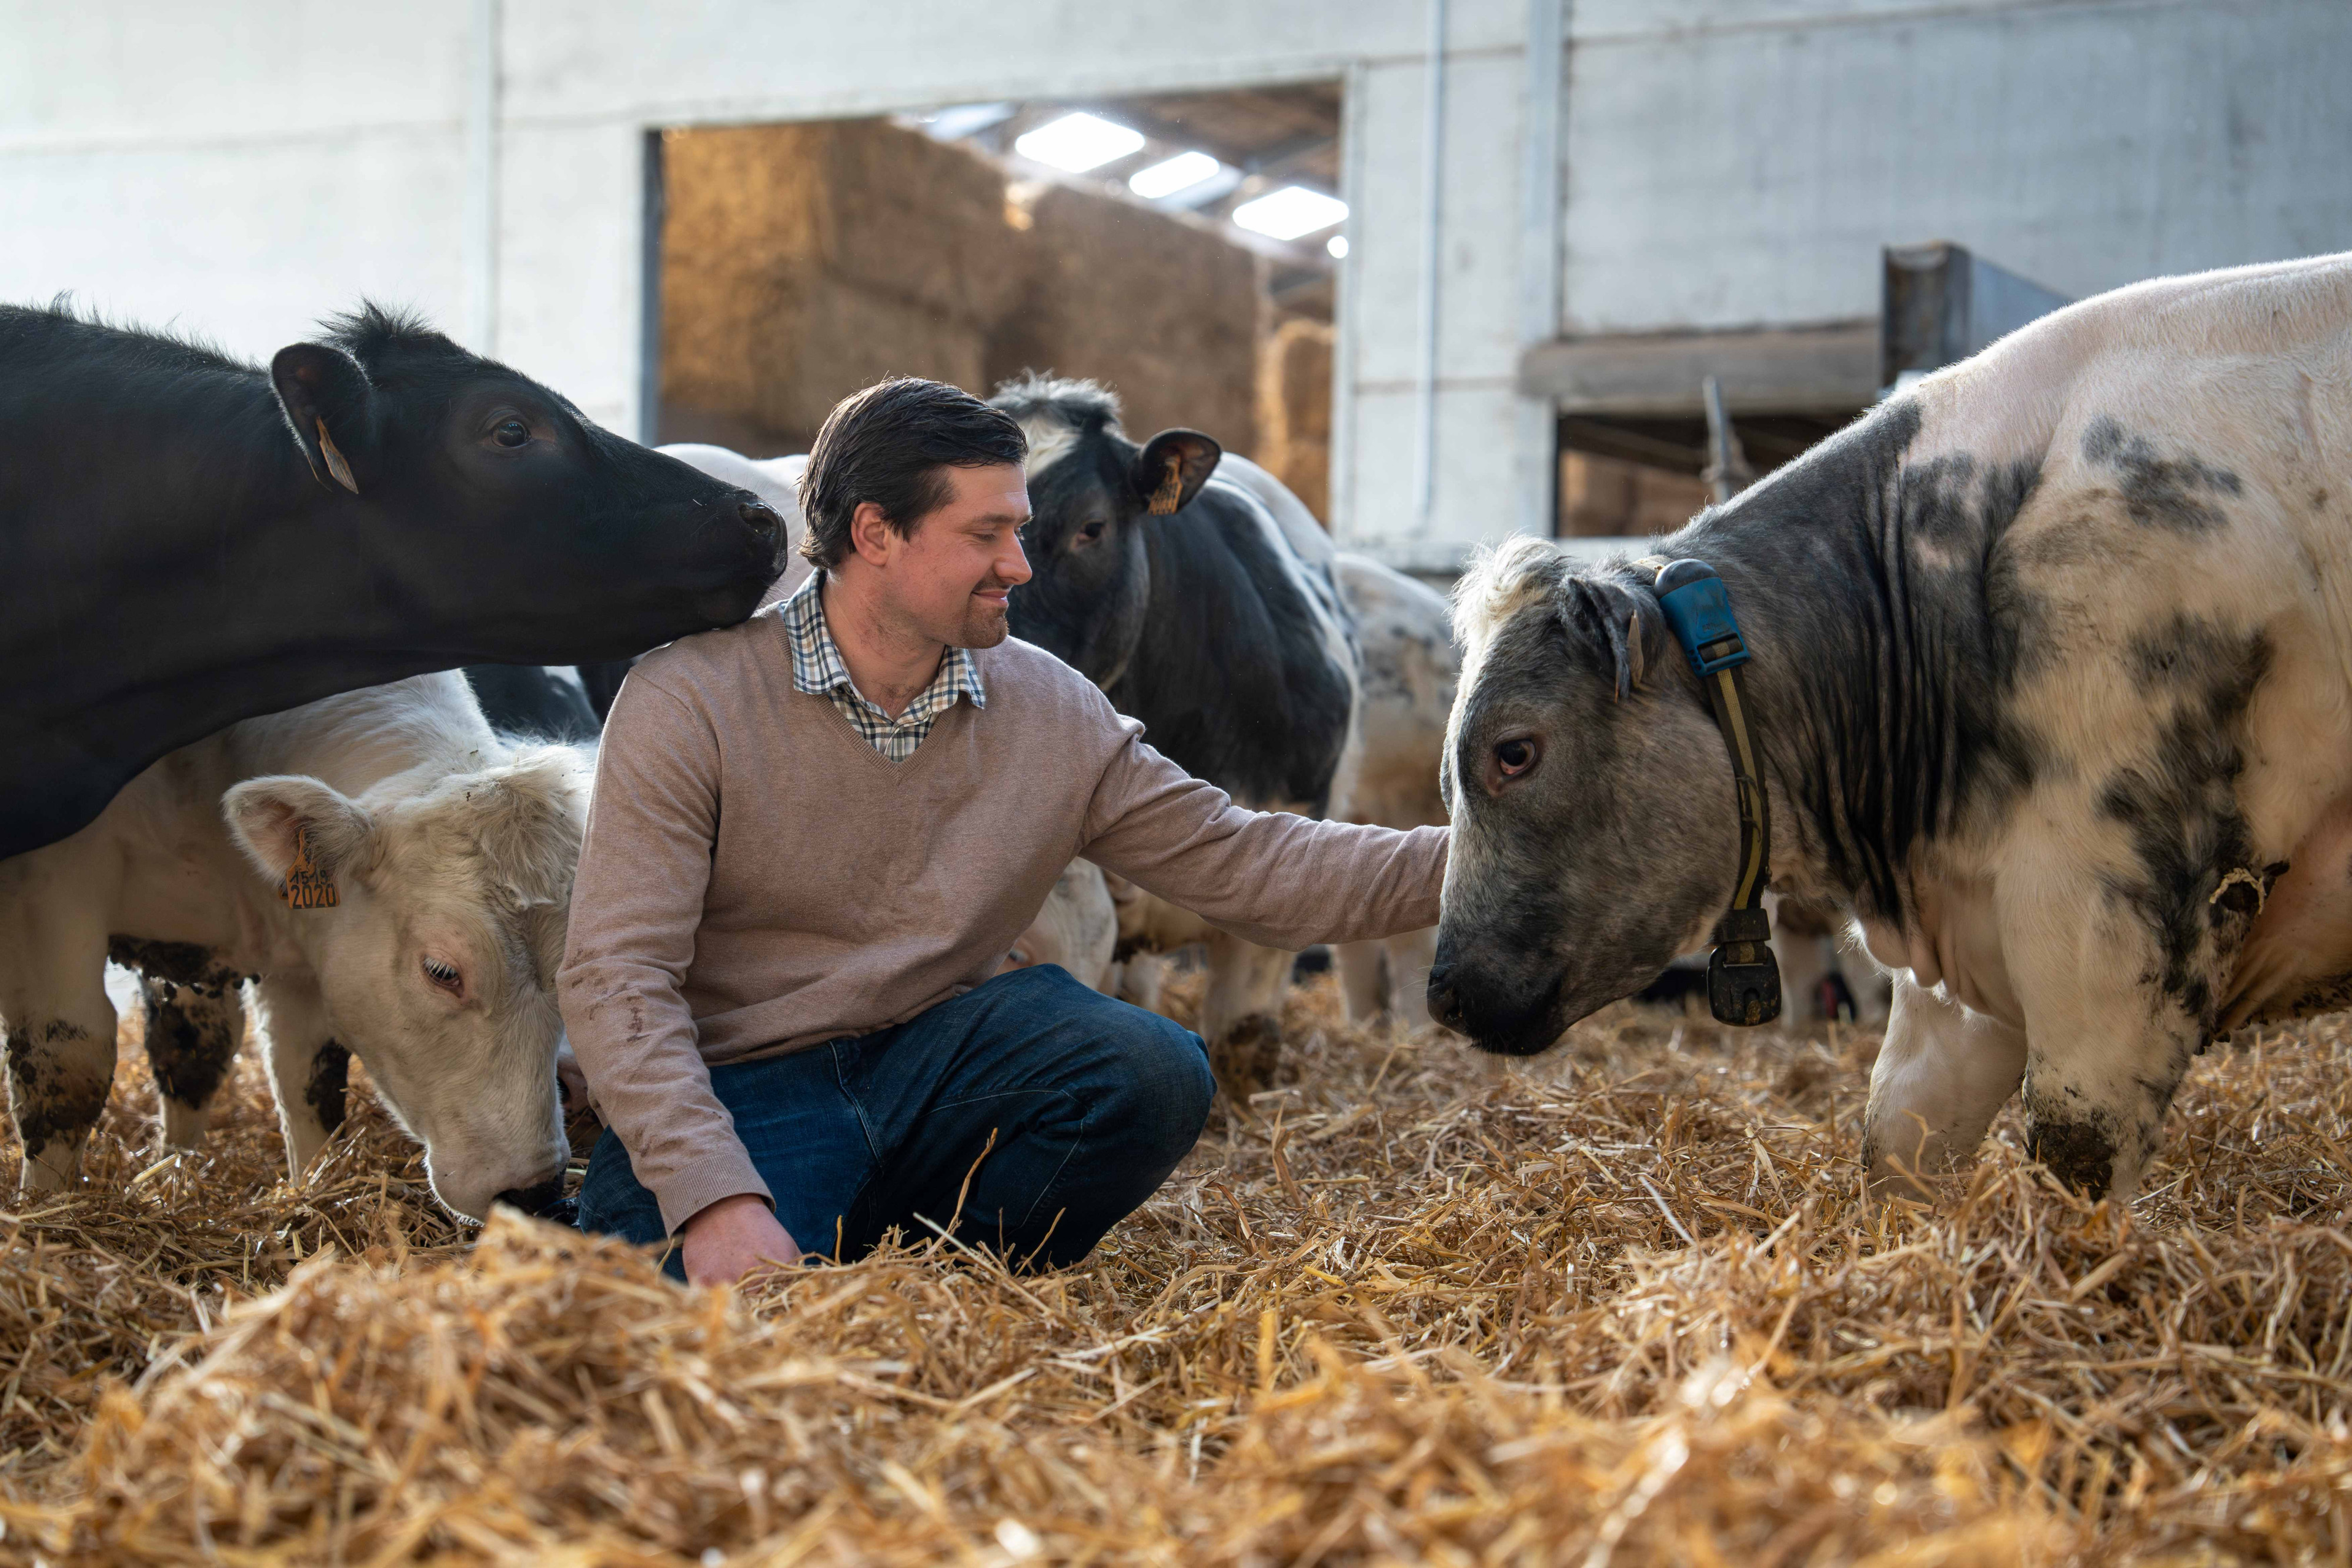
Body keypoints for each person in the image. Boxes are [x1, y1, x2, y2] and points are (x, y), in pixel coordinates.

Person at [558, 377, 1446, 1286]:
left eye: (1018, 531)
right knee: (655, 1302)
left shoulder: (1048, 705)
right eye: (986, 535)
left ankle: (949, 1281)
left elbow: (1248, 861)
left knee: (1149, 1070)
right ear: (874, 534)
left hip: (946, 1069)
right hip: (743, 1092)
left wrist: (1482, 861)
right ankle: (820, 1227)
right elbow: (616, 975)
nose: (1021, 565)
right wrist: (714, 1198)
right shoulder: (690, 700)